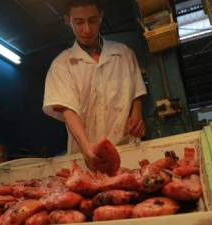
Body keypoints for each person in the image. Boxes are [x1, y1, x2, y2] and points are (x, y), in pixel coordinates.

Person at [43, 0, 147, 170]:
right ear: (67, 20)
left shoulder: (124, 53)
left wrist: (137, 114)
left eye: (92, 20)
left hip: (126, 149)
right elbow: (67, 110)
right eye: (78, 22)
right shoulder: (62, 64)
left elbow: (137, 91)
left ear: (101, 17)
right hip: (85, 155)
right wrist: (86, 148)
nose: (86, 29)